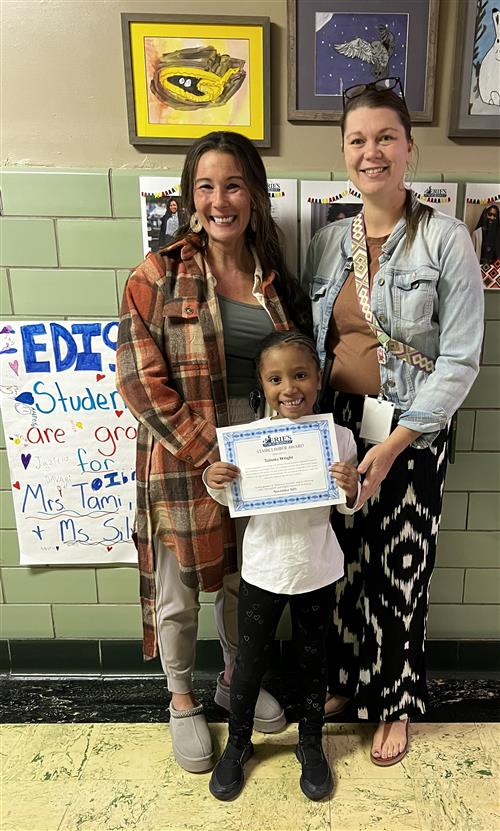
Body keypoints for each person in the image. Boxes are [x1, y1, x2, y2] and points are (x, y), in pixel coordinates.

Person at [116, 131, 312, 774]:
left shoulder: (276, 279)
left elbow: (297, 374)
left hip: (258, 456)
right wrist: (205, 451)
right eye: (206, 185)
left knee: (242, 579)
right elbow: (139, 383)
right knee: (178, 593)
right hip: (180, 456)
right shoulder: (157, 274)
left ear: (254, 192)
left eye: (233, 185)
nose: (220, 200)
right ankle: (180, 699)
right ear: (189, 194)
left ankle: (234, 680)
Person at [302, 77, 484, 766]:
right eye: (357, 139)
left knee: (400, 569)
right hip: (341, 426)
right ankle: (348, 683)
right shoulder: (326, 243)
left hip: (413, 429)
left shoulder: (446, 241)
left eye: (385, 137)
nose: (370, 151)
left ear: (409, 147)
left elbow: (462, 359)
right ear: (343, 151)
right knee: (342, 565)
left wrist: (399, 440)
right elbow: (312, 342)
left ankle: (395, 698)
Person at [204, 331, 360, 801]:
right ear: (262, 384)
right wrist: (214, 478)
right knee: (249, 664)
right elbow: (230, 498)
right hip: (264, 567)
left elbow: (350, 506)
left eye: (300, 375)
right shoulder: (246, 441)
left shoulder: (339, 438)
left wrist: (351, 486)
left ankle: (310, 744)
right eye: (276, 379)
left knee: (314, 662)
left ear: (317, 379)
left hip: (316, 566)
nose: (289, 388)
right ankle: (238, 744)